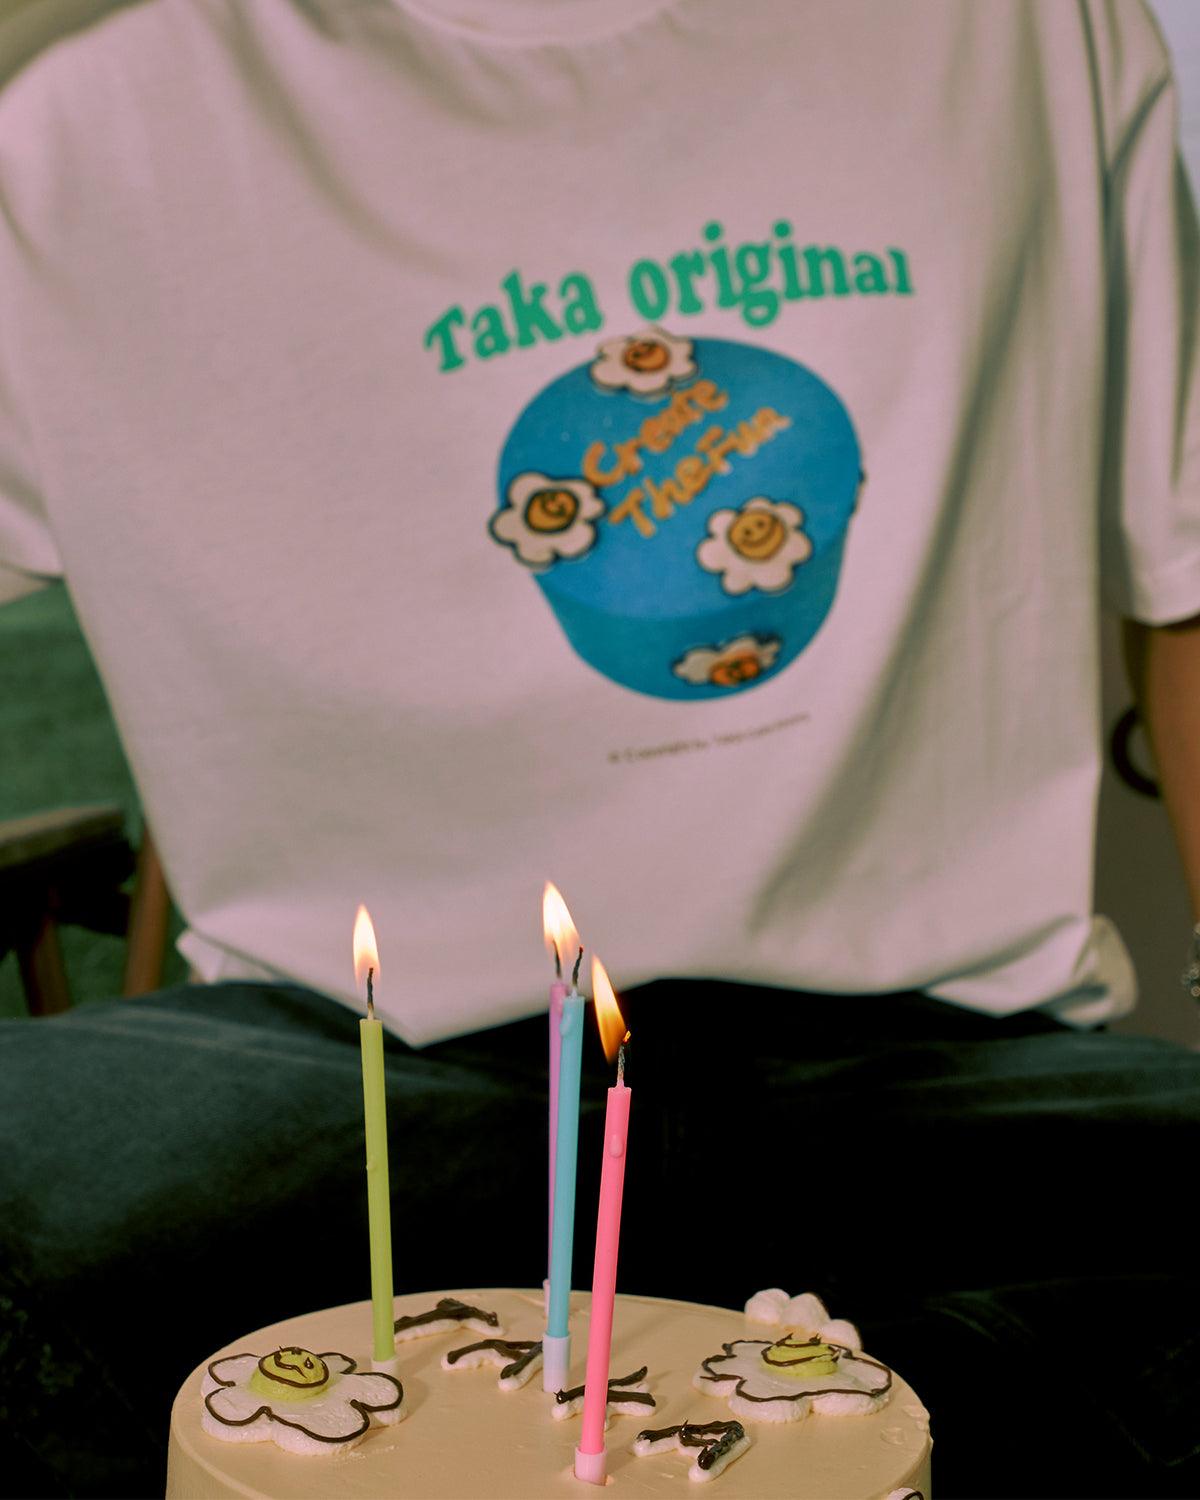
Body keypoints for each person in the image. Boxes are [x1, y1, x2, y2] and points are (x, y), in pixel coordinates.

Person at [2, 1, 1199, 1495]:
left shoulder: (1025, 28)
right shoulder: (64, 105)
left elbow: (1185, 570)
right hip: (337, 1065)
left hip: (956, 1055)